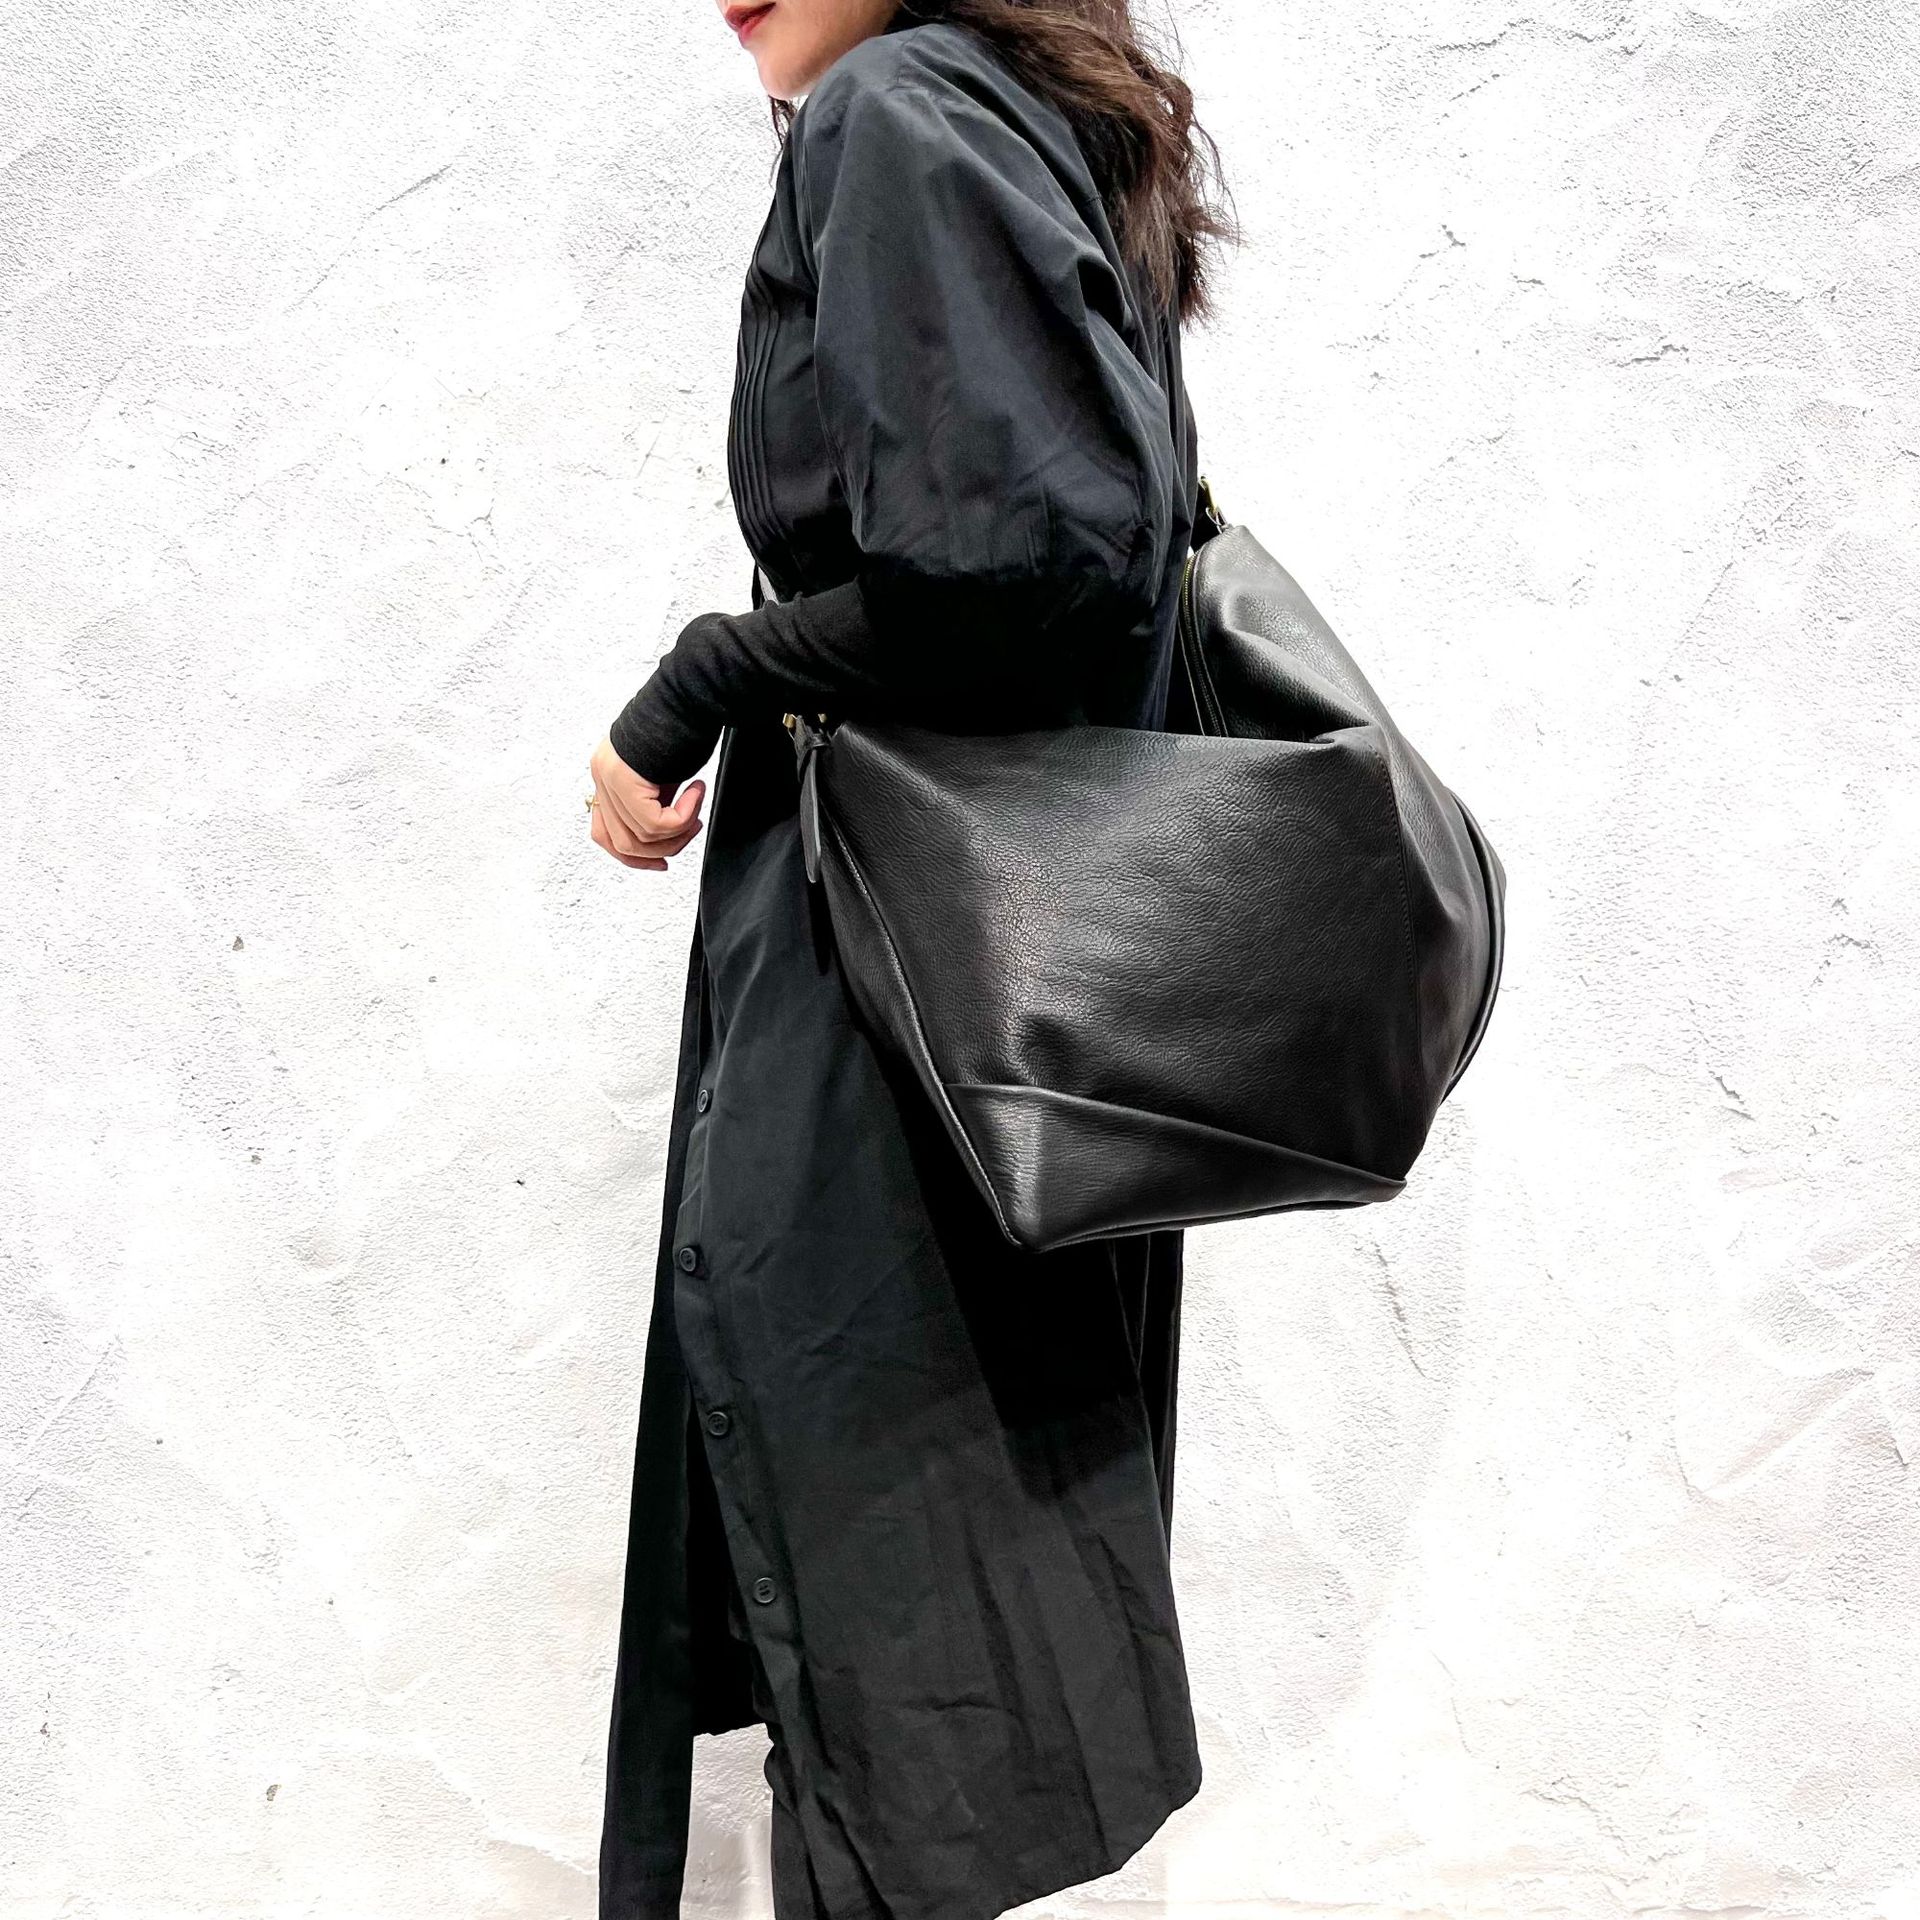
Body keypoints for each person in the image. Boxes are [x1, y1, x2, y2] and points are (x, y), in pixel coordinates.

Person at [585, 1, 1236, 1914]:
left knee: (888, 1617)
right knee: (930, 1628)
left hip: (911, 1001)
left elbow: (1022, 574)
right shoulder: (1005, 118)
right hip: (999, 996)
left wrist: (703, 677)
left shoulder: (897, 114)